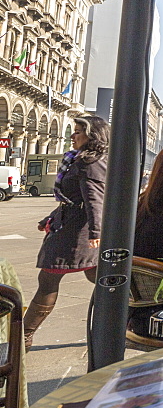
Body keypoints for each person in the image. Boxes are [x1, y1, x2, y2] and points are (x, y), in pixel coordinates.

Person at [23, 116, 109, 350]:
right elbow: (71, 198)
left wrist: (96, 232)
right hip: (70, 225)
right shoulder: (78, 159)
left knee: (50, 278)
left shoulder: (90, 162)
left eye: (79, 131)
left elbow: (94, 200)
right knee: (99, 278)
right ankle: (125, 317)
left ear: (92, 136)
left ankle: (23, 337)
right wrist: (49, 217)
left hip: (77, 232)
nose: (73, 136)